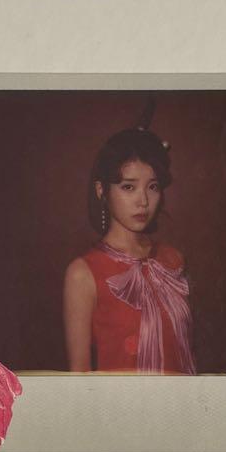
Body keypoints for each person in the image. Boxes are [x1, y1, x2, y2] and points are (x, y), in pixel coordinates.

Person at [63, 104, 196, 374]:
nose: (143, 200)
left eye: (152, 186)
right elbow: (79, 379)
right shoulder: (83, 274)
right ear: (101, 190)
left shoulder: (173, 259)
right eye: (128, 187)